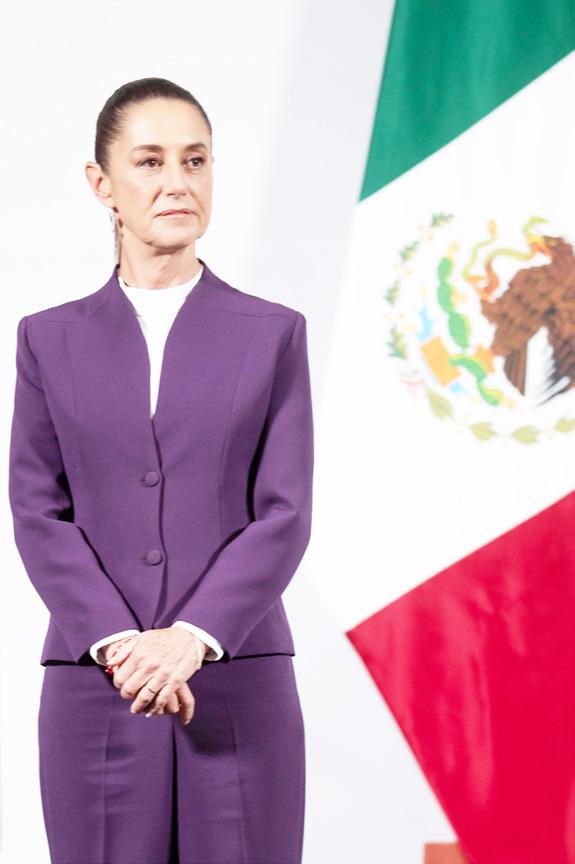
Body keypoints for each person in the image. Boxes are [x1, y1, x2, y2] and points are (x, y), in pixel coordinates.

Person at [8, 76, 314, 864]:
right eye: (149, 161)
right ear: (101, 183)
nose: (177, 182)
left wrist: (191, 638)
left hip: (239, 680)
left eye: (195, 160)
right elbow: (37, 511)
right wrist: (121, 643)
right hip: (95, 685)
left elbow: (283, 512)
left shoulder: (272, 333)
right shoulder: (48, 339)